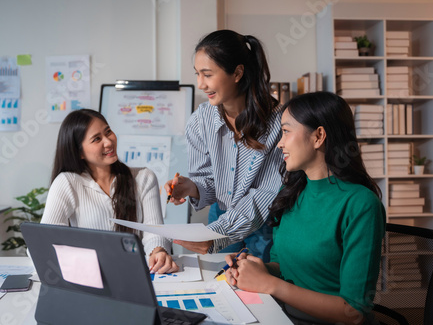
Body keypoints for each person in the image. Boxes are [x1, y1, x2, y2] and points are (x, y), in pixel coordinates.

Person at [224, 92, 386, 325]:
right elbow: (283, 266)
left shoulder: (361, 204)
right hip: (280, 316)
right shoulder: (292, 192)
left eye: (287, 131)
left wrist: (270, 284)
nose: (279, 143)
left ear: (319, 136)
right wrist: (257, 270)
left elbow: (353, 311)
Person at [165, 29, 283, 261]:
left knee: (261, 291)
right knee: (219, 286)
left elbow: (267, 193)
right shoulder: (201, 119)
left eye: (207, 74)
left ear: (238, 72)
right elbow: (209, 180)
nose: (200, 84)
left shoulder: (279, 122)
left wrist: (220, 234)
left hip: (266, 222)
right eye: (197, 74)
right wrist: (190, 186)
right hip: (221, 215)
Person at [41, 109, 179, 274]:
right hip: (89, 276)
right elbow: (47, 241)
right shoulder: (67, 182)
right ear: (79, 152)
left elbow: (153, 232)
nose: (108, 142)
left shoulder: (144, 178)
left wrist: (158, 252)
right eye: (97, 139)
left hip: (134, 274)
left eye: (108, 132)